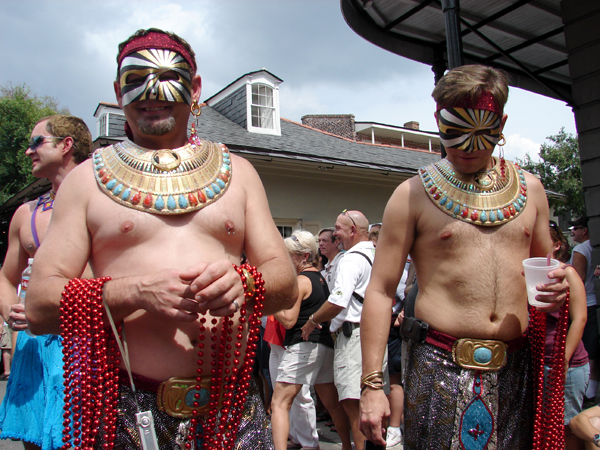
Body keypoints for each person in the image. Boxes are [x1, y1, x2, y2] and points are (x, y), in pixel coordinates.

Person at [26, 28, 297, 450]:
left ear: (197, 88)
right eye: (136, 80)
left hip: (233, 414)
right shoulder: (84, 182)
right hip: (126, 414)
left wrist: (244, 283)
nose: (152, 92)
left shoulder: (240, 173)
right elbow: (40, 304)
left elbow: (285, 283)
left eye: (169, 76)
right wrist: (133, 291)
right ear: (118, 91)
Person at [359, 64, 568, 450]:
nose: (465, 150)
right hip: (437, 368)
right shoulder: (412, 195)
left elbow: (548, 271)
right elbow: (381, 290)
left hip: (515, 372)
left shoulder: (532, 190)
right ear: (437, 121)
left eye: (481, 135)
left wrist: (559, 288)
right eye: (453, 134)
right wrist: (373, 384)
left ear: (501, 123)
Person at [0, 115, 93, 450]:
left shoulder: (106, 204)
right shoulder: (26, 214)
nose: (28, 151)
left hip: (86, 341)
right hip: (34, 344)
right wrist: (12, 310)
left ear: (66, 145)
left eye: (36, 142)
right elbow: (6, 277)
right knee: (36, 439)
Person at [301, 210, 385, 450]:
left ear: (352, 230)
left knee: (354, 406)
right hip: (374, 336)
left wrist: (312, 320)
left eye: (338, 228)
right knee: (374, 405)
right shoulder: (377, 254)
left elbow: (338, 302)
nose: (334, 232)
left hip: (354, 337)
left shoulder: (350, 258)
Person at [271, 230, 352, 450]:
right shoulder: (321, 278)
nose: (286, 259)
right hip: (324, 345)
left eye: (290, 255)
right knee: (333, 405)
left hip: (304, 345)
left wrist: (268, 303)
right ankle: (347, 446)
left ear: (303, 256)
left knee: (279, 403)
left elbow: (288, 320)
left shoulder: (302, 280)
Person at [547, 222, 588, 450]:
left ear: (556, 245)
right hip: (539, 364)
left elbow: (580, 319)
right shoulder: (525, 274)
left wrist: (563, 359)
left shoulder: (568, 273)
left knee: (567, 427)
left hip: (568, 366)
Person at [569, 216, 599, 402]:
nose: (573, 232)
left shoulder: (581, 249)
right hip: (594, 301)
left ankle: (588, 390)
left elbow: (577, 279)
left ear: (585, 230)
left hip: (585, 303)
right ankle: (593, 388)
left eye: (576, 229)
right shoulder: (593, 247)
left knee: (587, 348)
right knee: (594, 347)